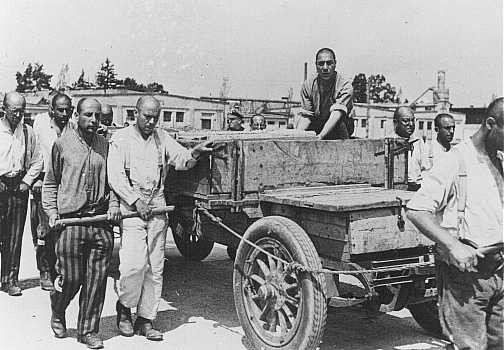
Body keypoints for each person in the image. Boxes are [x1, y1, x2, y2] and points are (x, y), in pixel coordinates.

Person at [108, 96, 216, 341]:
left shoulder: (162, 137)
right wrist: (136, 202)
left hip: (157, 204)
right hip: (132, 206)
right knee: (133, 265)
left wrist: (195, 154)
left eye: (155, 116)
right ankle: (125, 308)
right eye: (147, 116)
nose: (151, 121)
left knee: (155, 268)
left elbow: (181, 159)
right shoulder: (121, 139)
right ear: (135, 113)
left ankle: (146, 319)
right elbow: (115, 176)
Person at [406, 97, 504, 350]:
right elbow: (417, 210)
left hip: (500, 272)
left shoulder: (500, 161)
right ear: (491, 124)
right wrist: (452, 245)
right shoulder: (456, 160)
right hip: (467, 279)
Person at [42, 98, 120, 349]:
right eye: (88, 115)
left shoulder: (105, 146)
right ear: (77, 115)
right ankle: (58, 307)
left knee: (97, 280)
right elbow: (51, 182)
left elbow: (114, 182)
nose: (94, 121)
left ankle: (88, 330)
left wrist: (115, 206)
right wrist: (52, 211)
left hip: (99, 220)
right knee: (72, 277)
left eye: (97, 116)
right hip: (71, 221)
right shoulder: (62, 144)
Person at [0, 92, 43, 296]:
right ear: (5, 108)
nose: (18, 114)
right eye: (14, 110)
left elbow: (37, 160)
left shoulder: (28, 132)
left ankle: (10, 280)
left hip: (18, 187)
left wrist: (27, 181)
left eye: (21, 110)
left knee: (14, 236)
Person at [31, 93, 74, 291]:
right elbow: (34, 153)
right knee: (44, 230)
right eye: (60, 110)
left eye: (68, 110)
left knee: (63, 229)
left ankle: (61, 270)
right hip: (44, 183)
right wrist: (36, 178)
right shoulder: (40, 125)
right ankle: (45, 271)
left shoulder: (73, 128)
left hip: (65, 186)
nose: (64, 114)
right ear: (51, 109)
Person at [296, 47, 354, 139]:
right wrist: (297, 136)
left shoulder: (345, 85)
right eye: (321, 64)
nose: (325, 67)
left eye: (329, 63)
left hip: (341, 125)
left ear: (335, 64)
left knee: (340, 123)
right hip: (318, 123)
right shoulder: (308, 84)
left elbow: (337, 114)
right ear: (316, 65)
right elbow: (307, 116)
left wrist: (321, 136)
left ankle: (344, 149)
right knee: (306, 130)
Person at [388, 106, 430, 191]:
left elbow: (426, 169)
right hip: (395, 189)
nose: (411, 124)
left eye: (413, 120)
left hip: (418, 189)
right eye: (406, 121)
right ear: (396, 122)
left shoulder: (418, 142)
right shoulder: (388, 143)